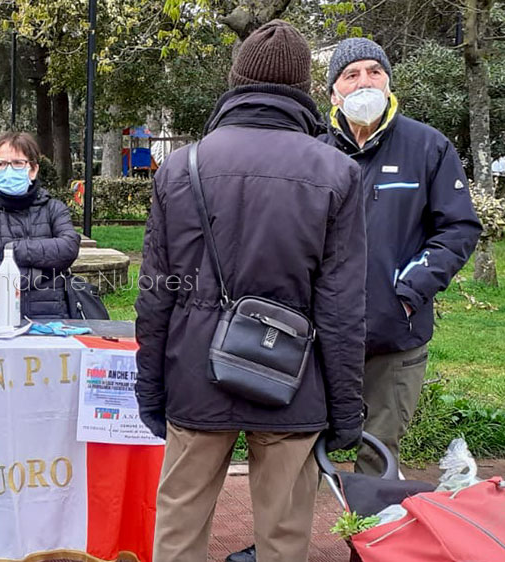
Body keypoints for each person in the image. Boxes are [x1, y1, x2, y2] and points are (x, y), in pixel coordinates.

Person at [134, 21, 366, 562]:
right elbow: (342, 306)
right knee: (285, 537)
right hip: (292, 373)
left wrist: (149, 388)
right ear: (304, 87)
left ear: (236, 80)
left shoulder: (179, 167)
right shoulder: (336, 171)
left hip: (194, 372)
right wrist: (346, 409)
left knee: (179, 527)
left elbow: (155, 295)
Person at [324, 38, 482, 474]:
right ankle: (287, 543)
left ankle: (370, 542)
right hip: (319, 333)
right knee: (299, 446)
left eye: (375, 71)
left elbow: (458, 228)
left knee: (380, 451)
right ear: (333, 91)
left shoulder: (428, 147)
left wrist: (410, 291)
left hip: (396, 332)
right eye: (351, 74)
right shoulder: (312, 148)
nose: (365, 82)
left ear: (389, 80)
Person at [0, 131, 80, 319]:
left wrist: (10, 252)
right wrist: (42, 276)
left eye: (18, 163)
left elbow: (68, 247)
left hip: (52, 318)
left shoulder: (54, 209)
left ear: (33, 169)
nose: (8, 170)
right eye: (1, 164)